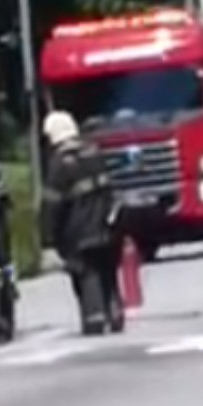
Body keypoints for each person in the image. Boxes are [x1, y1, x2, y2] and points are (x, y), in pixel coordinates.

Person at [41, 110, 123, 336]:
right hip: (106, 226)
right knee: (108, 270)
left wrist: (48, 241)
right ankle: (115, 312)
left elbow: (52, 206)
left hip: (79, 232)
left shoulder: (59, 164)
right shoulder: (95, 152)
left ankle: (94, 317)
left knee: (87, 274)